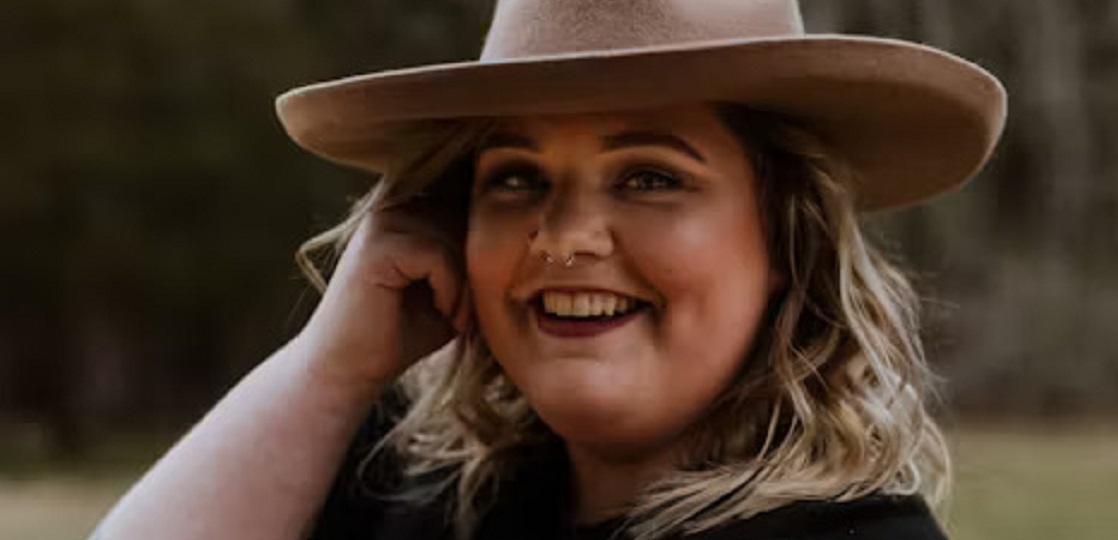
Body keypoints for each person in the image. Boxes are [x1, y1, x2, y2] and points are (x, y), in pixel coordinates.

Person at [91, 1, 1005, 539]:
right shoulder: (415, 488)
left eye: (650, 177)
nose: (564, 237)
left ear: (786, 241)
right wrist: (327, 371)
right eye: (517, 179)